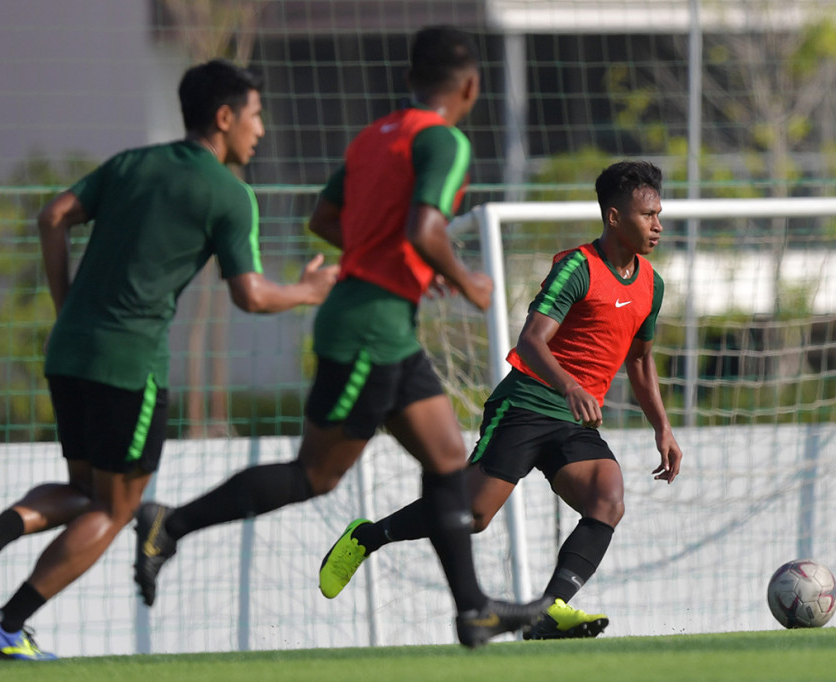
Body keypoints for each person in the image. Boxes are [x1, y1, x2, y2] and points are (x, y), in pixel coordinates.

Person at [132, 25, 549, 649]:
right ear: (470, 85)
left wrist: (399, 259)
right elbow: (427, 227)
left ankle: (474, 611)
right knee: (315, 476)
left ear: (411, 80)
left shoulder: (374, 137)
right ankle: (171, 523)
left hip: (384, 328)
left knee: (446, 460)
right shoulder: (445, 141)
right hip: (366, 334)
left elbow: (326, 219)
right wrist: (465, 279)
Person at [0, 60, 338, 660]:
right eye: (256, 115)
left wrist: (66, 304)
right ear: (225, 117)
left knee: (84, 490)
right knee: (118, 507)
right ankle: (8, 625)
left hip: (69, 351)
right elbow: (250, 295)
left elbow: (52, 216)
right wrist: (308, 291)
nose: (261, 129)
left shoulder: (131, 163)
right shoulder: (229, 193)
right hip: (130, 368)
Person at [318, 160, 684, 640]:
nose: (657, 225)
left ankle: (547, 610)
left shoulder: (650, 285)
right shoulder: (577, 266)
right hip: (528, 404)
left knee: (607, 498)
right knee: (473, 517)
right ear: (614, 218)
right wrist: (570, 385)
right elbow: (531, 340)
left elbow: (639, 362)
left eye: (659, 214)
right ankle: (367, 537)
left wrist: (662, 427)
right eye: (646, 215)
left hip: (574, 422)